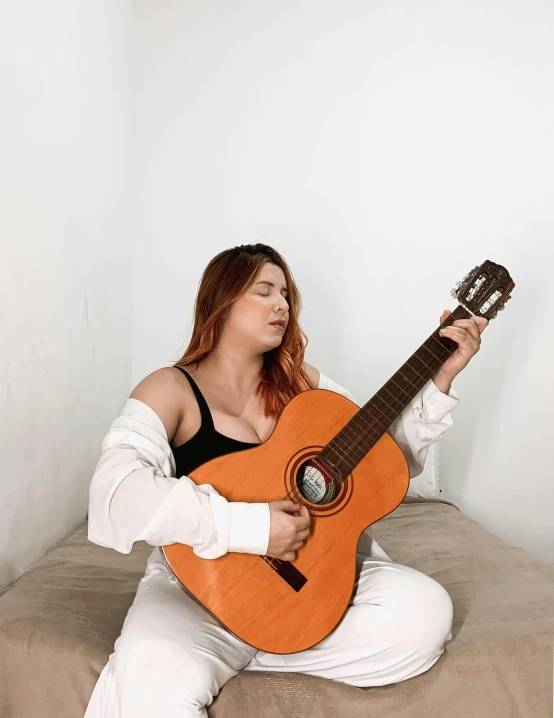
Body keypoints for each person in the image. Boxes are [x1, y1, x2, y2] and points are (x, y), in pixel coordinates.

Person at [84, 243, 488, 718]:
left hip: (306, 585)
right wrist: (253, 528)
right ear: (222, 300)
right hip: (195, 592)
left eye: (287, 296)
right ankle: (242, 644)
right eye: (265, 291)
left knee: (425, 615)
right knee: (149, 678)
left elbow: (381, 464)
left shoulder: (304, 383)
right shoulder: (170, 388)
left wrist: (438, 381)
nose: (283, 305)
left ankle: (264, 639)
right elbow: (114, 494)